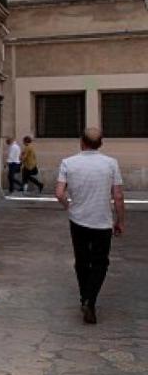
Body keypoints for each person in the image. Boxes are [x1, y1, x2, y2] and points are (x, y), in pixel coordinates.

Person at [55, 127, 125, 325]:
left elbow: (59, 193)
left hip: (78, 220)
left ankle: (84, 296)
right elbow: (118, 196)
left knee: (82, 259)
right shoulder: (111, 164)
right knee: (101, 262)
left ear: (81, 142)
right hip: (102, 221)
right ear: (100, 143)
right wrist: (120, 220)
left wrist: (69, 205)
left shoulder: (68, 163)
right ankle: (90, 299)